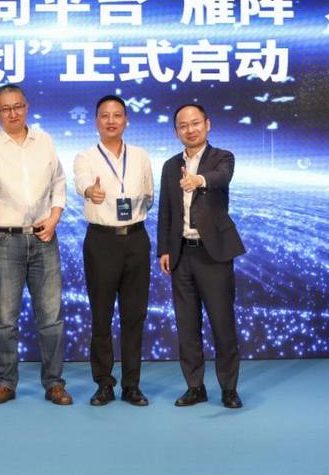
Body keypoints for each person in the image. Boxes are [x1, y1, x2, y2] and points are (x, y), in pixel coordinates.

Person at [0, 84, 72, 406]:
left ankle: (54, 383)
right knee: (5, 319)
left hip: (44, 237)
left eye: (18, 107)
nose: (13, 113)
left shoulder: (45, 141)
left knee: (51, 318)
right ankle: (4, 382)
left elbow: (58, 182)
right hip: (4, 241)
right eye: (5, 109)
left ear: (26, 107)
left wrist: (54, 218)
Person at [157, 103, 246, 409]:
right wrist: (164, 250)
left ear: (207, 124)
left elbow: (222, 177)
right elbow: (166, 211)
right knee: (187, 326)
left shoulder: (222, 157)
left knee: (222, 324)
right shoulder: (170, 166)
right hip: (182, 254)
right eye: (183, 125)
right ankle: (195, 386)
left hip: (214, 255)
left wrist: (198, 180)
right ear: (176, 131)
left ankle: (229, 388)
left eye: (195, 123)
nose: (190, 129)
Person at [73, 95, 153, 406]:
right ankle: (104, 383)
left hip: (136, 239)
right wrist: (90, 192)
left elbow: (148, 195)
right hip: (101, 242)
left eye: (117, 115)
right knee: (101, 315)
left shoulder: (141, 155)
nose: (111, 121)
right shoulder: (85, 157)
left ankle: (132, 385)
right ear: (96, 121)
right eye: (104, 115)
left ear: (126, 120)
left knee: (134, 316)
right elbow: (82, 184)